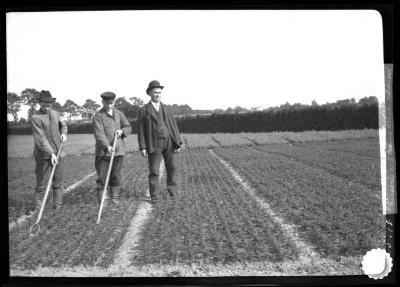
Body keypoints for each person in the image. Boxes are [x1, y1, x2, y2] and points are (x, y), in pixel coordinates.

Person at [138, 80, 183, 203]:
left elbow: (174, 125)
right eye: (155, 92)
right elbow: (141, 129)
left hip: (169, 142)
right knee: (154, 171)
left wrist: (177, 142)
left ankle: (173, 192)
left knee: (172, 167)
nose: (158, 95)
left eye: (159, 92)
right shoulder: (144, 110)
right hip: (153, 143)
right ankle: (155, 196)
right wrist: (142, 147)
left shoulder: (167, 109)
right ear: (150, 93)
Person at [92, 92, 132, 204]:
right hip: (103, 153)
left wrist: (122, 131)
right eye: (106, 103)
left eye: (111, 103)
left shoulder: (119, 114)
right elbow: (99, 134)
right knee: (102, 178)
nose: (109, 105)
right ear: (102, 102)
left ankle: (114, 198)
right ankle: (102, 200)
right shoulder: (98, 116)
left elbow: (128, 127)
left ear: (114, 102)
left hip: (118, 151)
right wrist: (107, 146)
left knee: (115, 176)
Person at [30, 90, 67, 211]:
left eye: (49, 105)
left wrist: (63, 133)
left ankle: (57, 207)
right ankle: (37, 208)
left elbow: (64, 125)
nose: (47, 107)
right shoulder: (35, 118)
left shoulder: (56, 114)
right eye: (44, 105)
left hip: (59, 153)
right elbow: (41, 139)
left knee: (58, 183)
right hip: (43, 156)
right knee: (41, 184)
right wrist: (51, 153)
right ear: (39, 103)